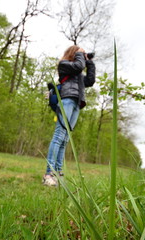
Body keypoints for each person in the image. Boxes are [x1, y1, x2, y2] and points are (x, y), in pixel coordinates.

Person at [43, 45, 96, 186]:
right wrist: (81, 54)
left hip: (77, 103)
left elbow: (90, 81)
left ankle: (59, 174)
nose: (83, 56)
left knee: (65, 139)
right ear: (74, 53)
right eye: (80, 53)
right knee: (58, 136)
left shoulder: (78, 74)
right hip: (66, 99)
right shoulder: (64, 65)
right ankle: (49, 174)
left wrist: (89, 62)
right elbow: (78, 66)